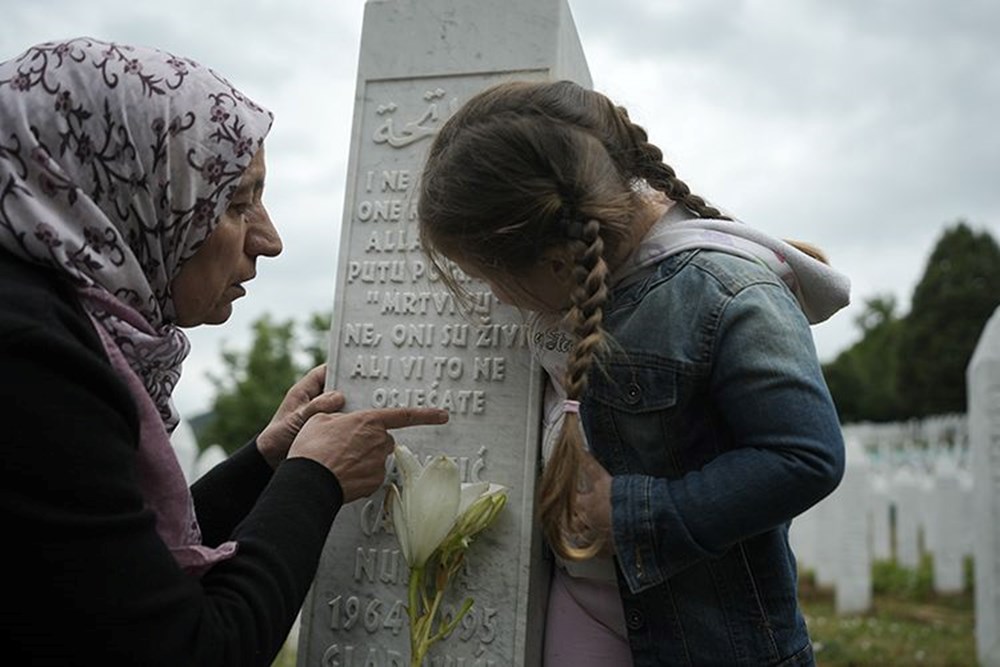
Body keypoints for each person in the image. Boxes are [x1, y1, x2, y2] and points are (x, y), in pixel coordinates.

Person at [0, 37, 448, 666]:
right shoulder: (31, 360)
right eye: (236, 202)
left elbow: (120, 572)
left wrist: (268, 459)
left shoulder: (49, 322)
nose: (270, 240)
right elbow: (188, 649)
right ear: (126, 196)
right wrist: (313, 480)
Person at [418, 80, 851, 666]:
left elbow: (804, 456)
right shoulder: (579, 285)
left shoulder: (725, 292)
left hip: (706, 638)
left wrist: (628, 512)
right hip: (580, 606)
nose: (494, 296)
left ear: (559, 259)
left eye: (491, 277)